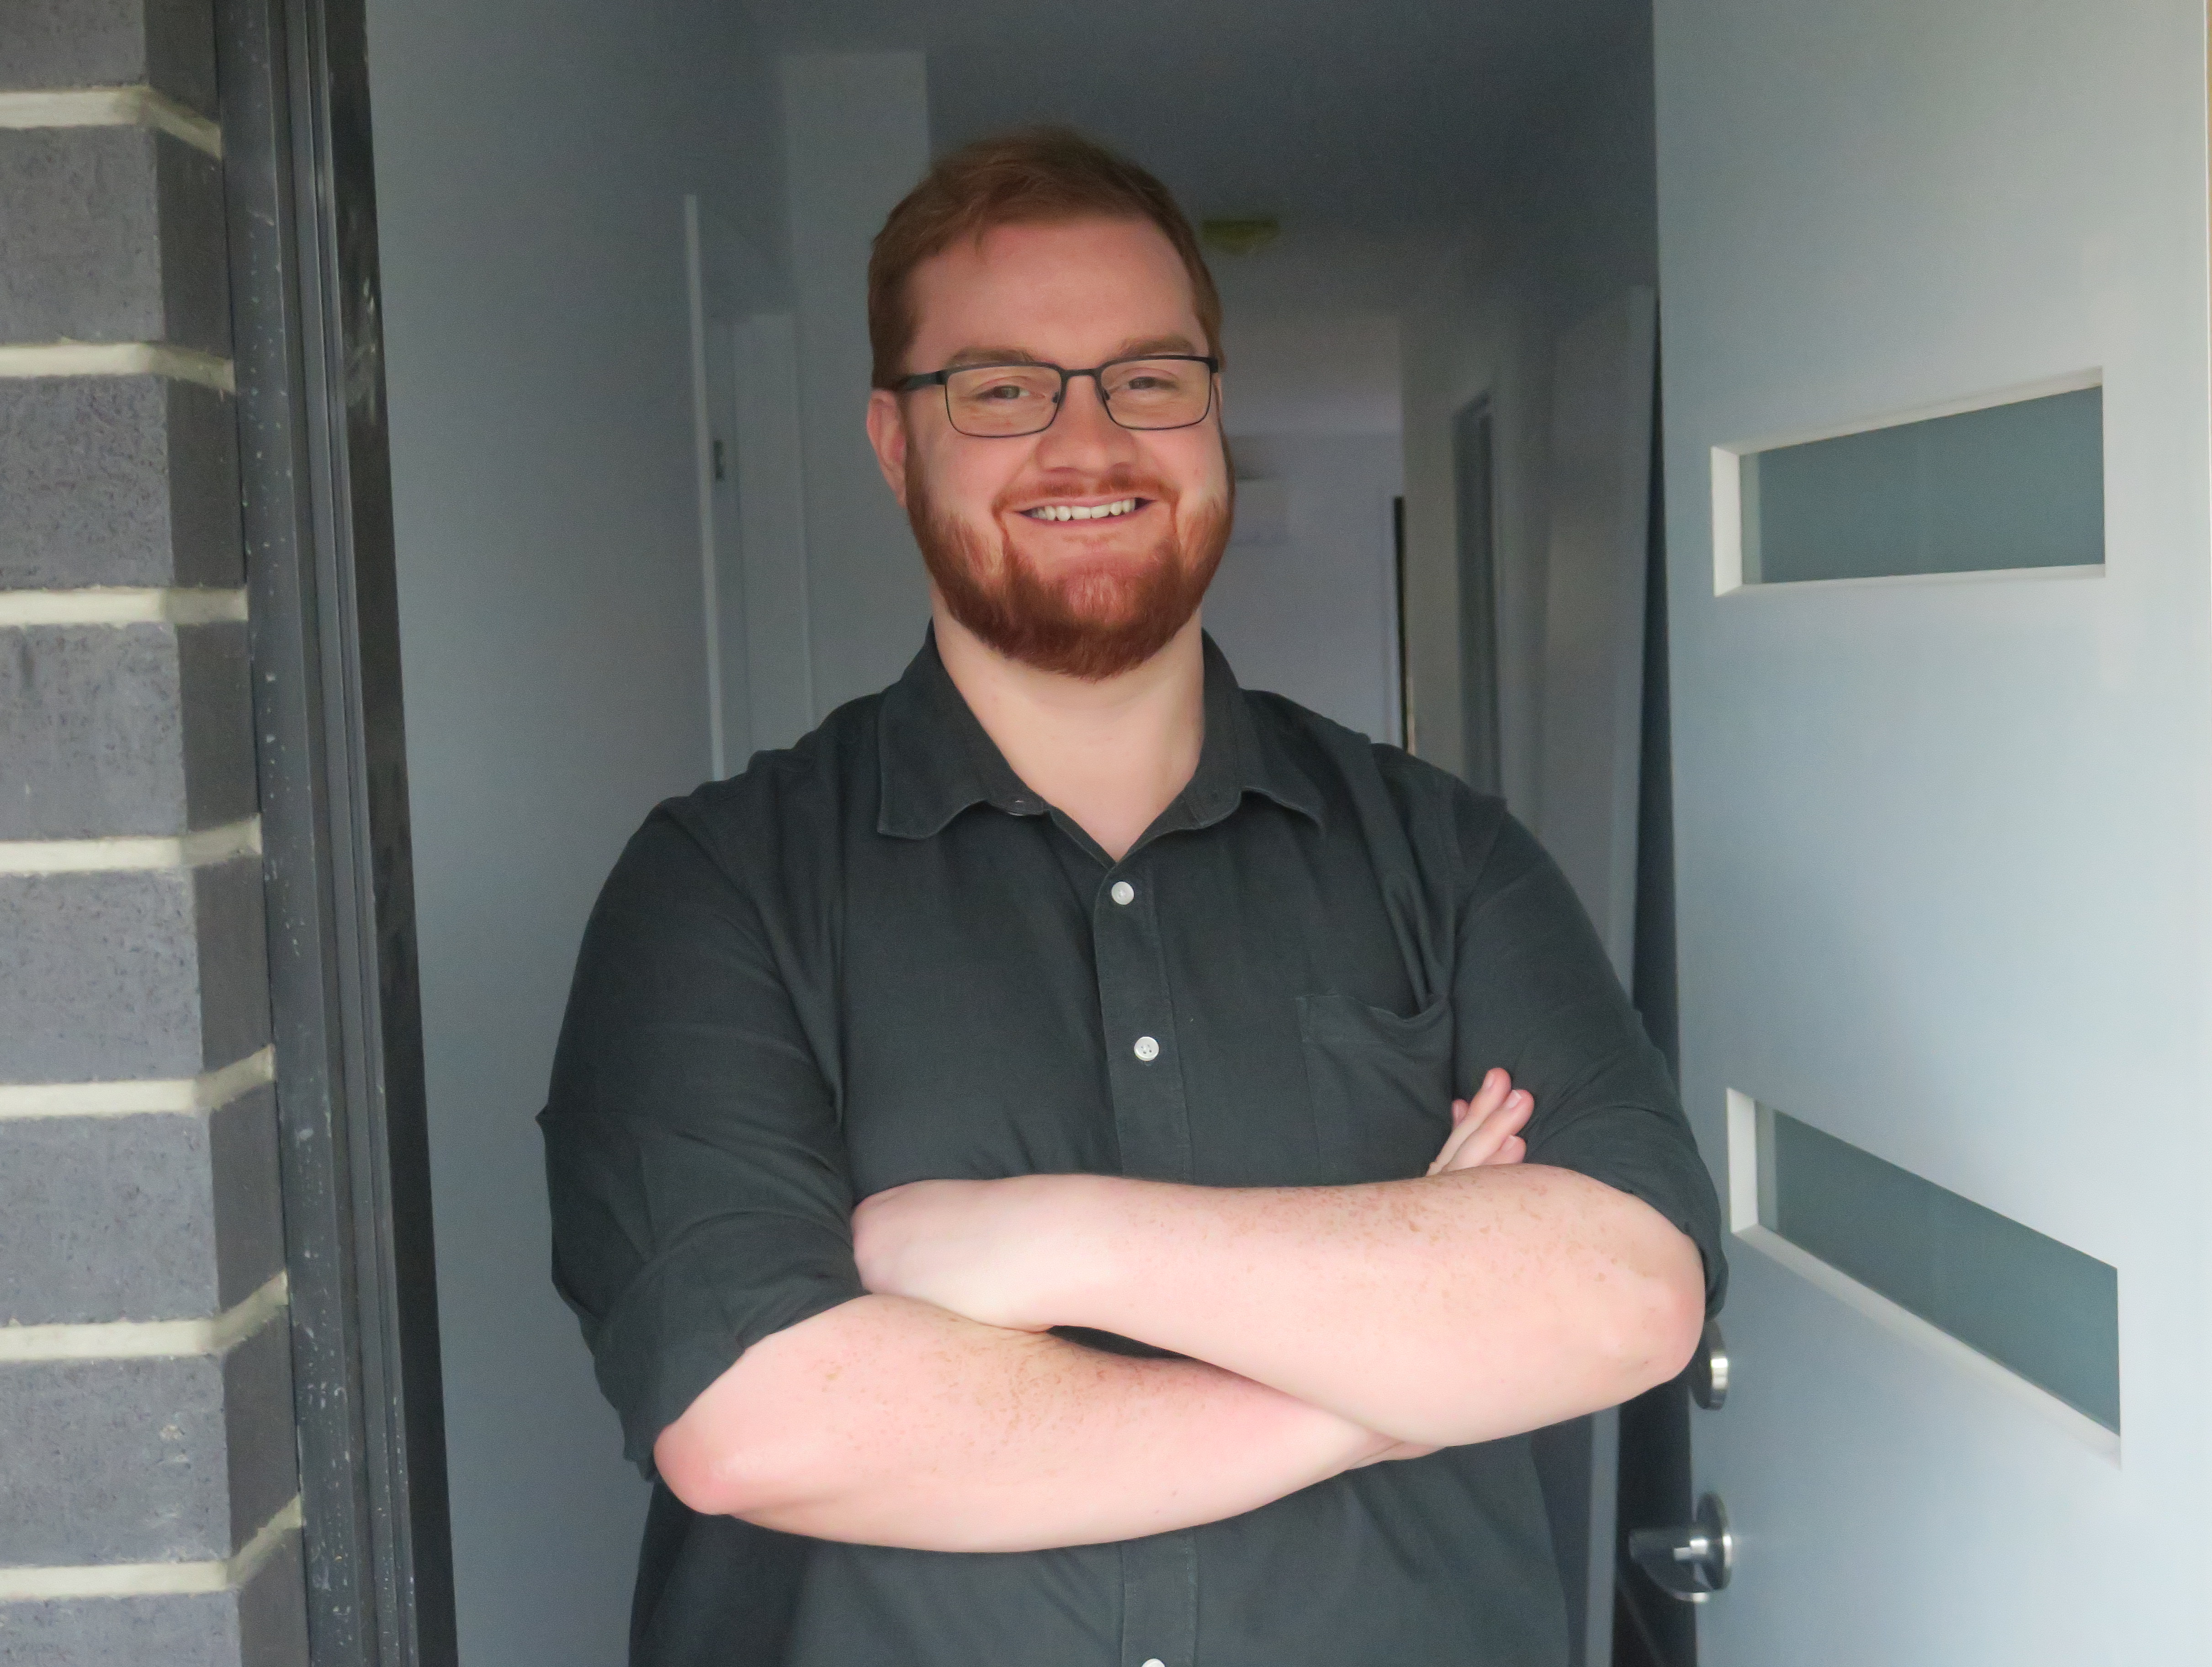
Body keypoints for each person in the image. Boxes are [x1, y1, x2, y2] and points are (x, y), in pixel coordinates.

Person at [539, 126, 1725, 1667]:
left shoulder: (1447, 853)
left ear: (1212, 414)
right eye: (1003, 386)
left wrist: (1053, 1241)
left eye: (1147, 380)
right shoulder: (717, 887)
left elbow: (1628, 1296)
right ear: (899, 444)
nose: (1086, 443)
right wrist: (1388, 1385)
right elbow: (761, 1423)